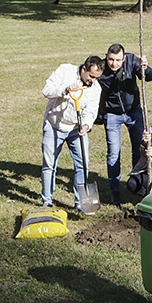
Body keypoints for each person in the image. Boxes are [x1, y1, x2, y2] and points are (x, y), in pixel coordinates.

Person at [40, 56, 105, 209]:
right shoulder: (65, 70)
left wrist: (87, 125)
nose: (93, 81)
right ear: (84, 69)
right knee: (49, 165)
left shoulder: (96, 88)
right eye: (91, 76)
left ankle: (81, 202)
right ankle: (47, 200)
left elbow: (91, 111)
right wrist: (65, 90)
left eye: (96, 78)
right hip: (54, 124)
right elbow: (46, 90)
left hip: (76, 129)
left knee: (83, 164)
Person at [97, 43, 152, 204]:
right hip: (112, 114)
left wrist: (146, 67)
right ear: (106, 57)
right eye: (110, 59)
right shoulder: (102, 69)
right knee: (113, 153)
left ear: (124, 58)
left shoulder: (132, 61)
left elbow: (150, 77)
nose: (114, 63)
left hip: (133, 111)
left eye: (117, 60)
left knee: (140, 148)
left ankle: (138, 186)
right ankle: (115, 189)